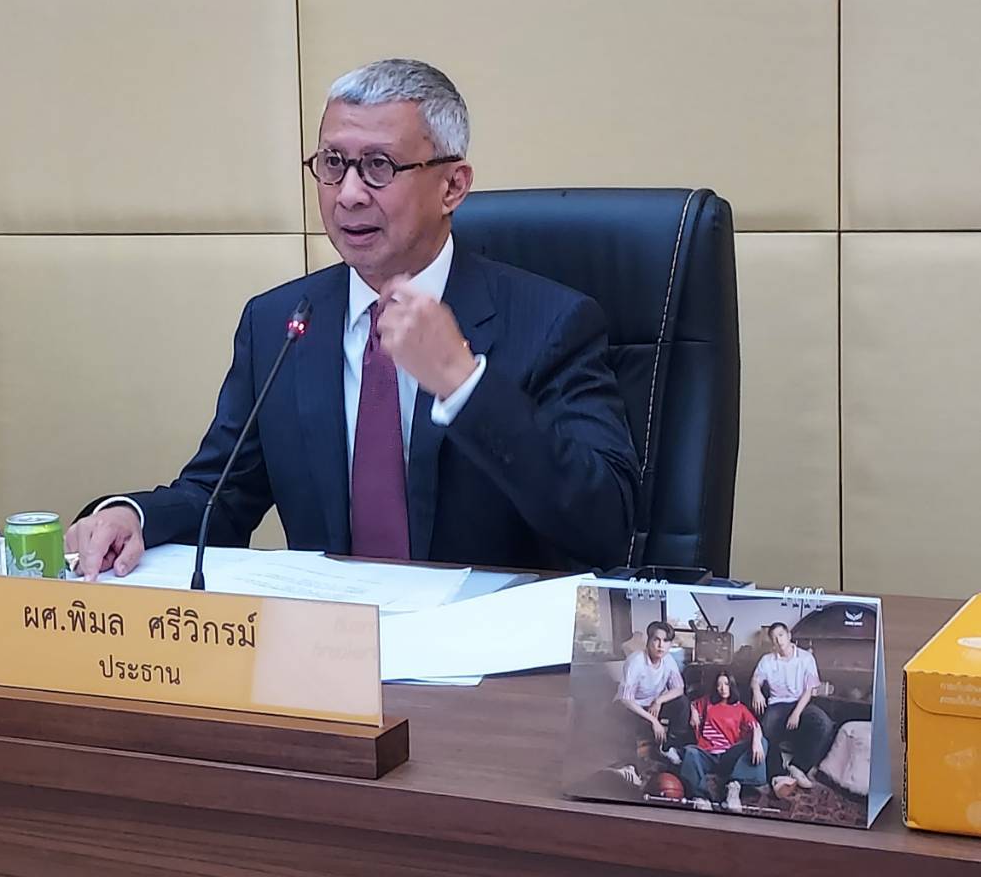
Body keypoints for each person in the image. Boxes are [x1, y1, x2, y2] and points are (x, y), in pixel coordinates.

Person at [65, 58, 636, 577]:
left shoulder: (552, 323)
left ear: (452, 186)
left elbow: (604, 525)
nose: (349, 194)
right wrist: (135, 516)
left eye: (379, 166)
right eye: (333, 164)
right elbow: (220, 496)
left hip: (488, 649)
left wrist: (463, 385)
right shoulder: (279, 323)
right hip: (328, 644)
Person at [751, 621, 835, 789]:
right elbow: (755, 679)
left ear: (789, 636)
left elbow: (809, 690)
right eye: (774, 638)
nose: (779, 640)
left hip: (800, 703)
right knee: (766, 728)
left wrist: (796, 713)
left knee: (824, 724)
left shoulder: (806, 658)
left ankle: (798, 767)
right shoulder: (767, 660)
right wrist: (756, 691)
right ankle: (777, 775)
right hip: (777, 703)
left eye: (781, 635)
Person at [680, 672, 767, 812]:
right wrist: (694, 712)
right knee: (690, 752)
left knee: (762, 742)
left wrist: (756, 741)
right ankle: (700, 797)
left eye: (726, 684)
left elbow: (756, 726)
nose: (723, 688)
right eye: (719, 685)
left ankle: (733, 787)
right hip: (707, 754)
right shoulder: (708, 702)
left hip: (728, 755)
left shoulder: (740, 708)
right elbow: (692, 704)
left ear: (732, 686)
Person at [616, 621, 689, 750]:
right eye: (657, 640)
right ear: (649, 641)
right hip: (632, 706)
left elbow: (679, 689)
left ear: (670, 644)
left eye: (665, 641)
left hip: (652, 705)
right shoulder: (636, 661)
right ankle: (630, 759)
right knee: (629, 722)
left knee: (682, 703)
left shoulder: (668, 659)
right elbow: (626, 699)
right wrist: (653, 720)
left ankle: (671, 747)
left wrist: (659, 701)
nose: (661, 645)